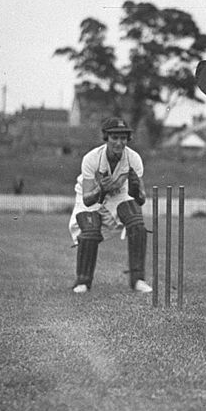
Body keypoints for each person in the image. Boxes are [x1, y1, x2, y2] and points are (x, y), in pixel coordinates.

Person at [67, 117, 152, 294]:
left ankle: (138, 279)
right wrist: (101, 188)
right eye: (114, 138)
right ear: (106, 138)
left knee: (137, 223)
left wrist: (136, 190)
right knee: (90, 230)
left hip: (118, 194)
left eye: (123, 138)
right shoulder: (91, 158)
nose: (119, 143)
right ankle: (82, 281)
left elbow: (141, 199)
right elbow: (88, 200)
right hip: (90, 193)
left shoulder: (133, 159)